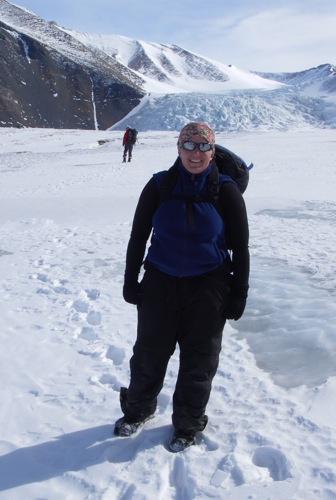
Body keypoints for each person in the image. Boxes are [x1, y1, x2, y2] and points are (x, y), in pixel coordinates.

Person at [114, 122, 250, 452]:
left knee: (199, 361)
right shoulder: (159, 185)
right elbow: (137, 237)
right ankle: (137, 410)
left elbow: (241, 246)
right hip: (160, 282)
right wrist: (130, 280)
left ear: (212, 151)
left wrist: (239, 291)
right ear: (178, 148)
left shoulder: (225, 190)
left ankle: (187, 424)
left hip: (209, 287)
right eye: (189, 146)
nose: (196, 154)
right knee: (149, 353)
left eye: (204, 147)